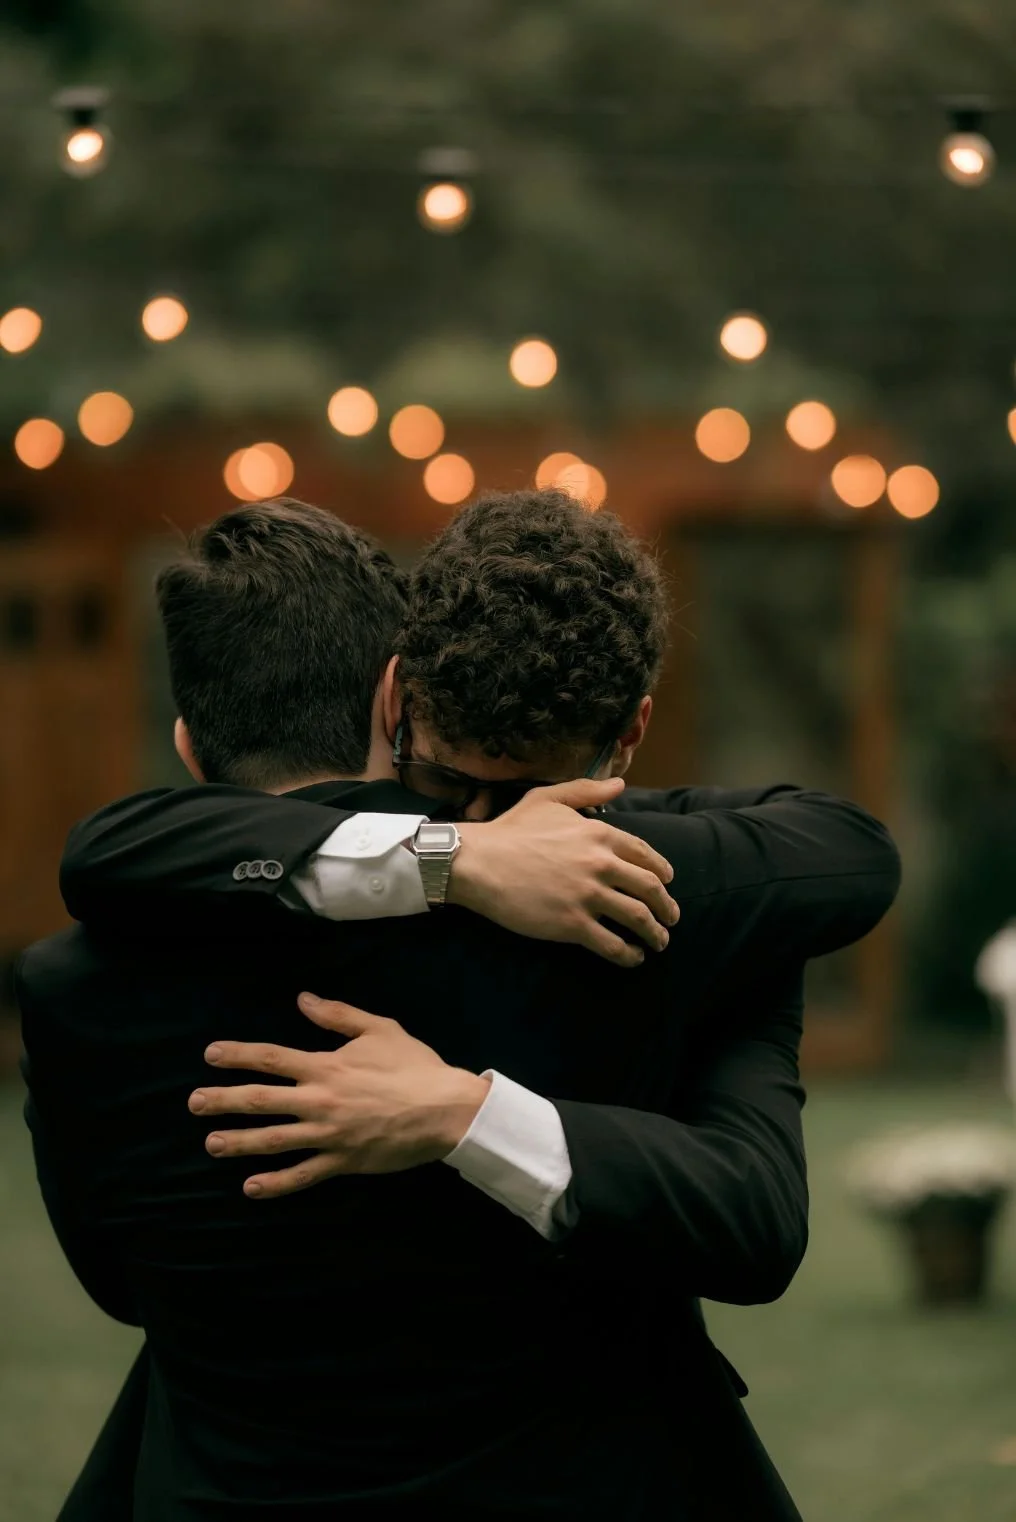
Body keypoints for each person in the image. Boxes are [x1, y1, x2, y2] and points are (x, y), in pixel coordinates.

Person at [20, 492, 900, 1521]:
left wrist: (463, 1115)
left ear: (185, 742)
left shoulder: (69, 985)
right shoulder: (655, 917)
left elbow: (123, 1287)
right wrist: (458, 861)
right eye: (456, 790)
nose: (494, 823)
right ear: (391, 693)